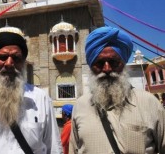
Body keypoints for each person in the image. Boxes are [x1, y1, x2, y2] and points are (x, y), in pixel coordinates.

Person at [0, 26, 63, 154]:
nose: (9, 63)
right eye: (3, 57)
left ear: (23, 62)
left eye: (16, 58)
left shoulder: (40, 99)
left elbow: (54, 148)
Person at [70, 26, 165, 154]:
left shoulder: (149, 103)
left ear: (123, 64)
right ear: (91, 66)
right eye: (100, 63)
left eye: (113, 62)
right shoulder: (80, 106)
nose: (107, 69)